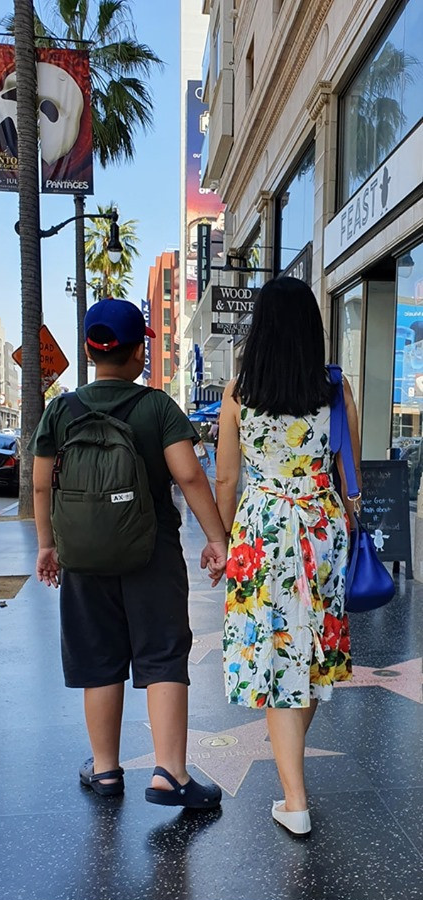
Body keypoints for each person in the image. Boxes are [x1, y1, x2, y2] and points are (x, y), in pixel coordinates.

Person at [28, 298, 227, 808]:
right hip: (151, 553)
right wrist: (216, 537)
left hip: (83, 555)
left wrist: (48, 545)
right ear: (139, 352)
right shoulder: (156, 407)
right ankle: (170, 773)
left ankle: (106, 770)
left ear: (90, 352)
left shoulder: (61, 410)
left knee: (99, 657)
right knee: (163, 655)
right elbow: (189, 475)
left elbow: (42, 485)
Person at [215, 276, 361, 836]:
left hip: (262, 531)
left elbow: (226, 479)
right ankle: (293, 787)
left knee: (276, 655)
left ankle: (294, 800)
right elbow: (351, 471)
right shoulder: (333, 387)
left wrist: (224, 542)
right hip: (321, 528)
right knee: (309, 653)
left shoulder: (238, 393)